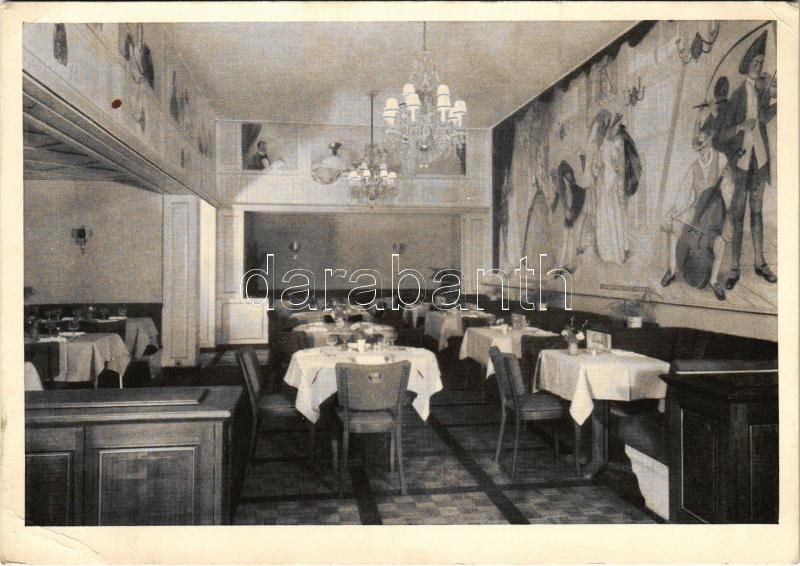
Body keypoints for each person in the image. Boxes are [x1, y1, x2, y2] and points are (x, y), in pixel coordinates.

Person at [718, 30, 777, 289]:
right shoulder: (738, 97)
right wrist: (741, 126)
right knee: (738, 215)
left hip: (760, 162)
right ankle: (733, 269)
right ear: (747, 65)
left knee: (757, 213)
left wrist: (781, 97)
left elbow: (764, 118)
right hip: (741, 164)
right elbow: (721, 135)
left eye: (761, 63)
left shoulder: (763, 89)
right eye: (755, 63)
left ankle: (760, 262)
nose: (759, 66)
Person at [588, 111, 628, 265]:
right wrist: (599, 170)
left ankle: (613, 253)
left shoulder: (610, 144)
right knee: (608, 216)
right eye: (615, 127)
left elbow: (603, 166)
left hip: (609, 183)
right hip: (606, 183)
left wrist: (599, 170)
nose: (617, 129)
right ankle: (612, 253)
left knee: (611, 216)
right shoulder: (608, 145)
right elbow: (600, 166)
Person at [553, 160, 587, 273]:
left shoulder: (572, 186)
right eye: (566, 174)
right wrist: (565, 212)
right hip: (564, 217)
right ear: (563, 175)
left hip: (570, 217)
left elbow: (576, 196)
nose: (569, 175)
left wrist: (571, 213)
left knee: (570, 240)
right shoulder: (562, 189)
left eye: (570, 173)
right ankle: (560, 267)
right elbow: (561, 202)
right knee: (565, 242)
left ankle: (569, 265)